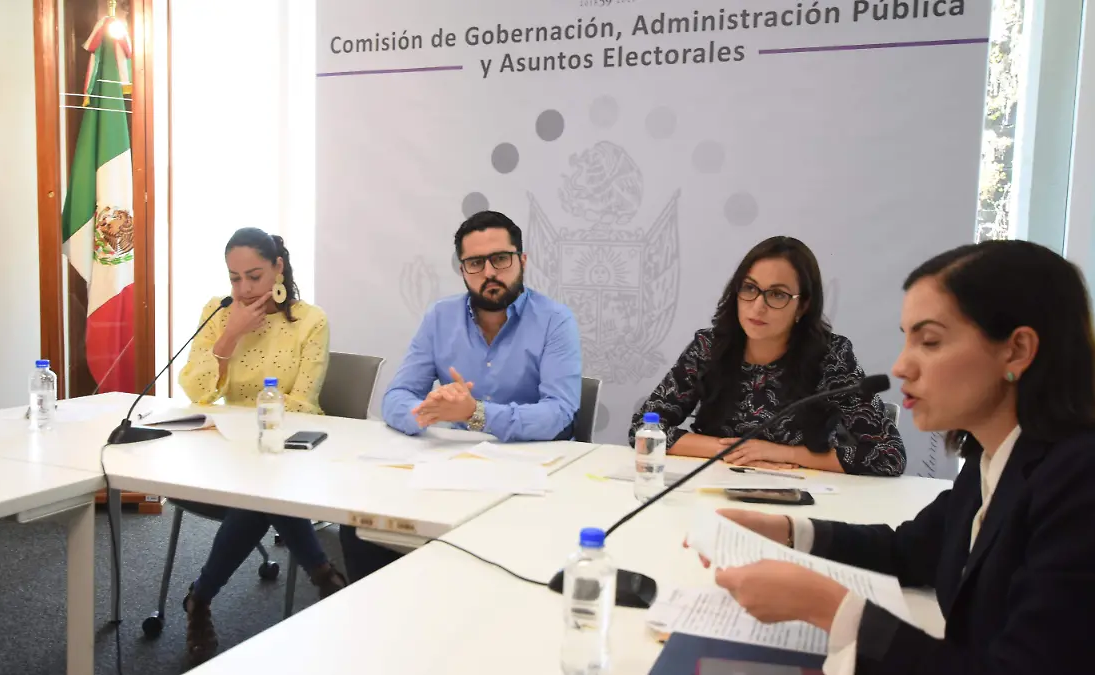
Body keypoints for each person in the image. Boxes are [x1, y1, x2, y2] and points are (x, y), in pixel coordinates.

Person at [695, 240, 1095, 674]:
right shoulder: (995, 457)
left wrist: (830, 609)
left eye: (930, 341)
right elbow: (908, 551)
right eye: (906, 339)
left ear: (1017, 350)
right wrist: (788, 530)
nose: (901, 366)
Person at [339, 210, 582, 582]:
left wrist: (475, 413)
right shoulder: (441, 317)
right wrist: (426, 411)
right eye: (475, 263)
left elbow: (559, 412)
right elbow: (398, 395)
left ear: (522, 260)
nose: (489, 272)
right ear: (463, 269)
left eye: (500, 259)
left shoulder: (555, 320)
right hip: (452, 466)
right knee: (361, 525)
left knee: (491, 550)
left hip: (528, 471)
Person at [176, 227, 345, 666]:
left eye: (254, 276)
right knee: (262, 493)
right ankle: (324, 575)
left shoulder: (310, 320)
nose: (245, 289)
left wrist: (261, 429)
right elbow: (196, 392)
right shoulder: (218, 312)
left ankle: (200, 598)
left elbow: (303, 402)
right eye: (235, 278)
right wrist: (228, 337)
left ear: (278, 268)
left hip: (288, 450)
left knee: (261, 493)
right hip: (227, 451)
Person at [633, 236, 905, 476]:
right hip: (715, 484)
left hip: (803, 493)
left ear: (803, 306)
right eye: (750, 288)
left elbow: (888, 455)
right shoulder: (709, 347)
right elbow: (643, 430)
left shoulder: (831, 356)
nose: (758, 306)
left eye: (777, 294)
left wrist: (781, 453)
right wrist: (735, 451)